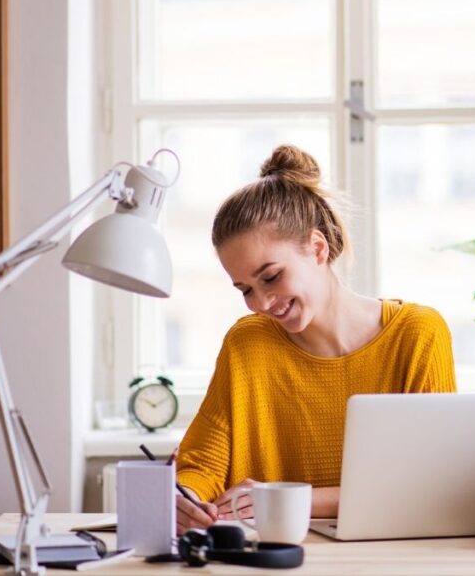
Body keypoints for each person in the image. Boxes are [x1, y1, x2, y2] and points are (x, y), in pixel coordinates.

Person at [174, 145, 457, 533]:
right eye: (245, 289)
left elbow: (430, 483)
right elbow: (203, 464)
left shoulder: (418, 334)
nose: (261, 303)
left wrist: (282, 498)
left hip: (392, 558)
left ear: (318, 248)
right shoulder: (247, 344)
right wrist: (184, 498)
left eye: (271, 277)